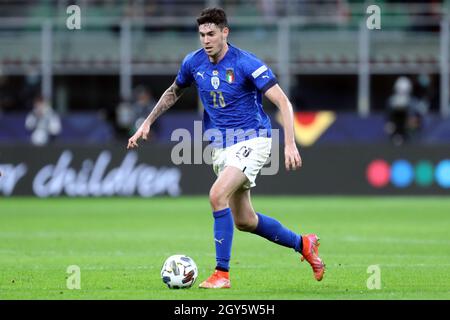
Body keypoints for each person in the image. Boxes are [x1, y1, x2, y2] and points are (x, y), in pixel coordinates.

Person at [127, 7, 325, 289]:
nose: (205, 40)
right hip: (221, 147)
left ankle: (222, 274)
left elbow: (282, 101)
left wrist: (290, 143)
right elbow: (173, 91)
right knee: (244, 220)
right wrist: (147, 122)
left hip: (253, 140)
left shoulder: (246, 63)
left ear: (224, 33)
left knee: (216, 195)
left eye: (211, 34)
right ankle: (303, 244)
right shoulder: (193, 63)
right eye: (201, 35)